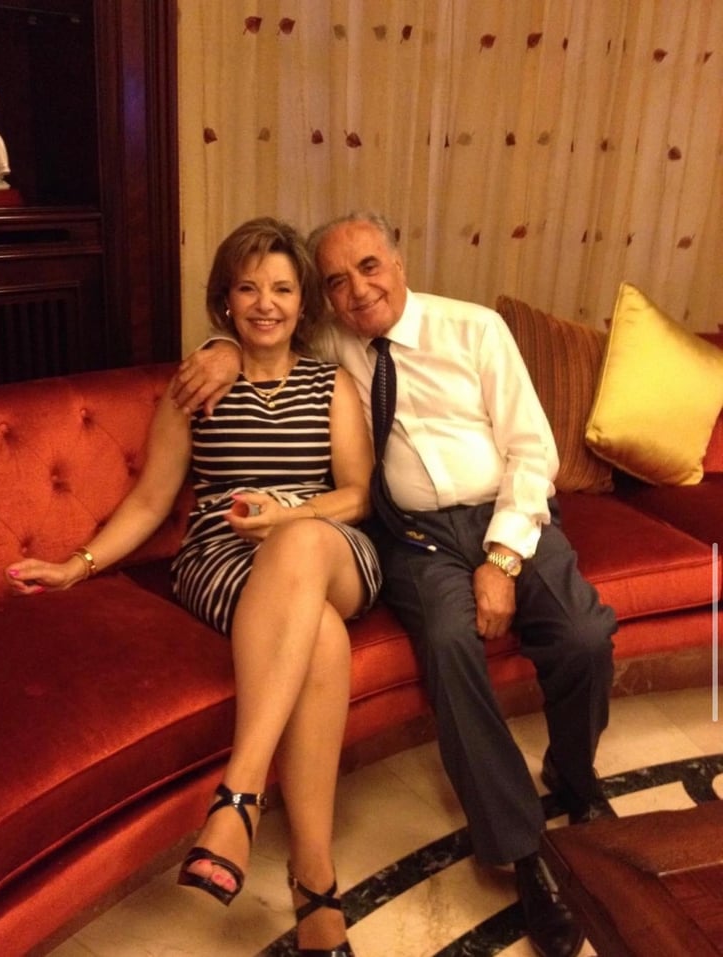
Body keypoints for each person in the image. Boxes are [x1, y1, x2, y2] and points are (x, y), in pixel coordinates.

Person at [172, 211, 618, 957]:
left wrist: (503, 559)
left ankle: (575, 775)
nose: (358, 290)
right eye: (338, 281)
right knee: (446, 642)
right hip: (415, 537)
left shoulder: (473, 329)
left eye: (370, 267)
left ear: (399, 262)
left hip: (507, 514)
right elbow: (260, 323)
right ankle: (523, 850)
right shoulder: (333, 343)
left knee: (584, 634)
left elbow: (532, 452)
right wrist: (217, 348)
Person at [6, 216, 381, 957]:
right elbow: (151, 501)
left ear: (303, 302)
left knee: (302, 542)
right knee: (321, 636)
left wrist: (288, 516)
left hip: (330, 545)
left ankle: (239, 795)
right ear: (225, 300)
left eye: (282, 289)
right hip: (222, 559)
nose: (265, 304)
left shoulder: (329, 382)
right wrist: (77, 564)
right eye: (248, 288)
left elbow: (359, 492)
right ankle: (315, 879)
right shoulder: (196, 385)